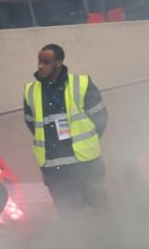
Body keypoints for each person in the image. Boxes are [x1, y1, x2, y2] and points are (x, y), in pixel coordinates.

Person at [22, 44, 108, 214]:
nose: (40, 66)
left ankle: (111, 240)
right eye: (39, 62)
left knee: (99, 208)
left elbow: (101, 118)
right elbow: (32, 124)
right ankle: (76, 241)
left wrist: (87, 143)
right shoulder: (30, 91)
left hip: (85, 163)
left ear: (59, 62)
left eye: (46, 62)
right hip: (54, 167)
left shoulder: (81, 83)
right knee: (68, 215)